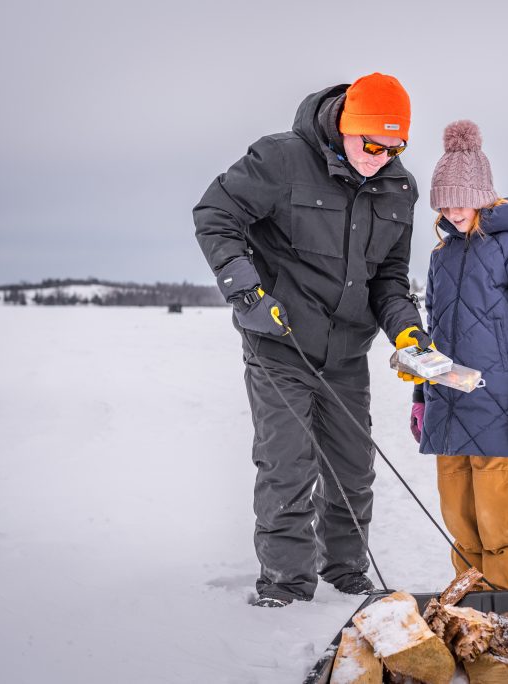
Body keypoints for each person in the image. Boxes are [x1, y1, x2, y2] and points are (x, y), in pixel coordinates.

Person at [193, 73, 431, 608]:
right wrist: (247, 292)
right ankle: (285, 584)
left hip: (346, 351)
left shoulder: (399, 187)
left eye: (396, 147)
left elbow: (389, 278)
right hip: (279, 342)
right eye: (373, 143)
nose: (382, 156)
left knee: (353, 467)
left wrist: (407, 330)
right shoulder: (281, 160)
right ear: (346, 126)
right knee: (287, 464)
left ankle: (346, 572)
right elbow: (215, 214)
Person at [410, 120, 508, 590]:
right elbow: (432, 333)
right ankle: (474, 622)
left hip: (501, 410)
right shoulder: (442, 256)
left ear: (482, 194)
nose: (452, 211)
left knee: (502, 529)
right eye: (443, 203)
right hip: (449, 406)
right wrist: (420, 394)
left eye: (460, 199)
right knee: (461, 527)